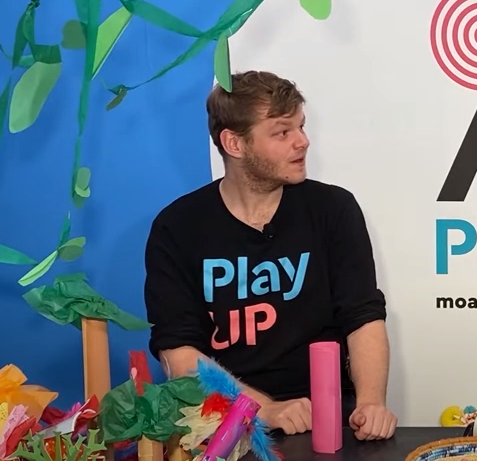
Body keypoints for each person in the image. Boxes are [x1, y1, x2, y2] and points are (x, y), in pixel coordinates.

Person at [143, 70, 398, 441]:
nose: (303, 142)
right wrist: (264, 408)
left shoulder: (333, 209)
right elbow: (178, 353)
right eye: (282, 132)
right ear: (234, 143)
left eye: (301, 127)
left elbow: (364, 317)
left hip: (329, 416)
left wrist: (371, 403)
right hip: (225, 422)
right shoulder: (178, 227)